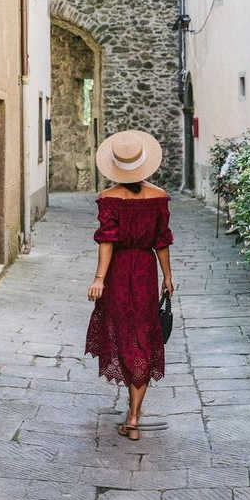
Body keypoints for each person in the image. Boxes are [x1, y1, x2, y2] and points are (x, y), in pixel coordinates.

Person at [85, 130, 174, 441]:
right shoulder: (159, 198)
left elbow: (107, 242)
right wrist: (167, 275)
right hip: (146, 271)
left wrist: (99, 278)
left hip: (120, 272)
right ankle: (135, 413)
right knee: (143, 335)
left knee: (123, 334)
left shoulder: (110, 200)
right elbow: (162, 241)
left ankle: (132, 414)